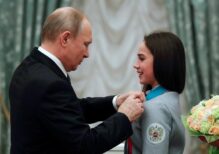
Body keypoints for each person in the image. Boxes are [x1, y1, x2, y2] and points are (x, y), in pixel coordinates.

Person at [9, 7, 145, 154]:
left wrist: (115, 102)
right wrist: (124, 116)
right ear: (65, 38)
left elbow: (71, 108)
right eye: (85, 44)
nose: (87, 54)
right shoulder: (49, 83)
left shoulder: (29, 67)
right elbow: (85, 145)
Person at [125, 31, 186, 154]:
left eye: (141, 58)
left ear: (161, 61)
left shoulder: (155, 108)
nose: (135, 65)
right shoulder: (168, 97)